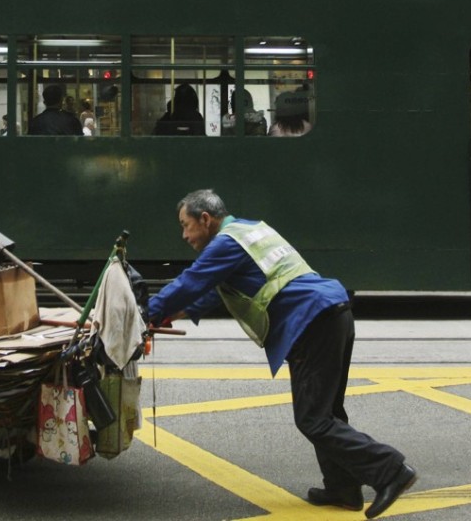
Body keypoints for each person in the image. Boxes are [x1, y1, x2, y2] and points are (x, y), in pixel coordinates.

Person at [145, 190, 417, 519]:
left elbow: (191, 282)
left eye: (186, 226)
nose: (184, 235)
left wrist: (147, 311)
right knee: (328, 411)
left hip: (312, 323)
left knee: (313, 420)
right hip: (333, 312)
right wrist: (165, 316)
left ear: (206, 219)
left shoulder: (225, 244)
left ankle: (390, 470)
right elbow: (209, 296)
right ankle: (342, 488)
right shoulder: (248, 230)